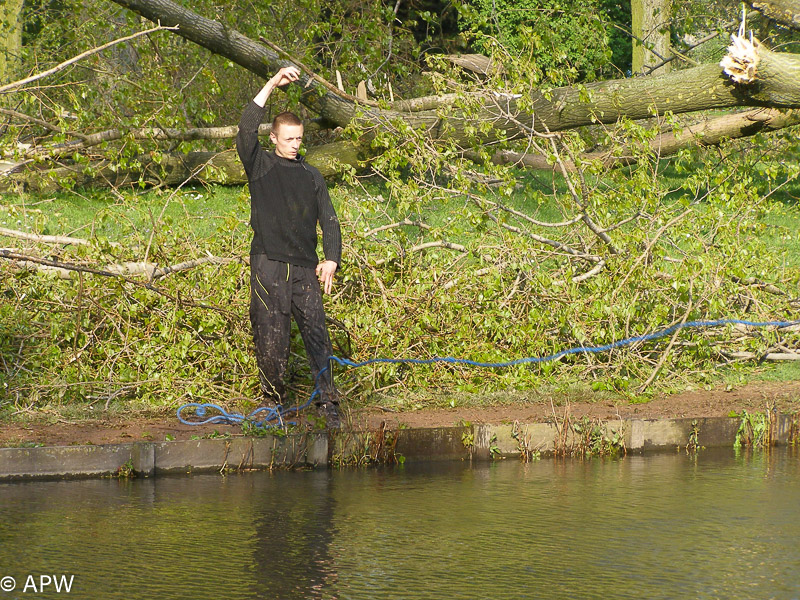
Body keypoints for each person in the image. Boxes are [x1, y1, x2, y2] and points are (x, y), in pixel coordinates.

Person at [236, 66, 342, 427]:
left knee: (316, 334)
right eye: (290, 138)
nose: (296, 144)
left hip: (303, 267)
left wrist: (331, 259)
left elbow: (329, 219)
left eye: (299, 139)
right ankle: (275, 405)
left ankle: (328, 404)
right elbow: (245, 128)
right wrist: (270, 84)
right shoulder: (260, 164)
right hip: (267, 263)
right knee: (271, 338)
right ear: (275, 139)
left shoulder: (312, 175)